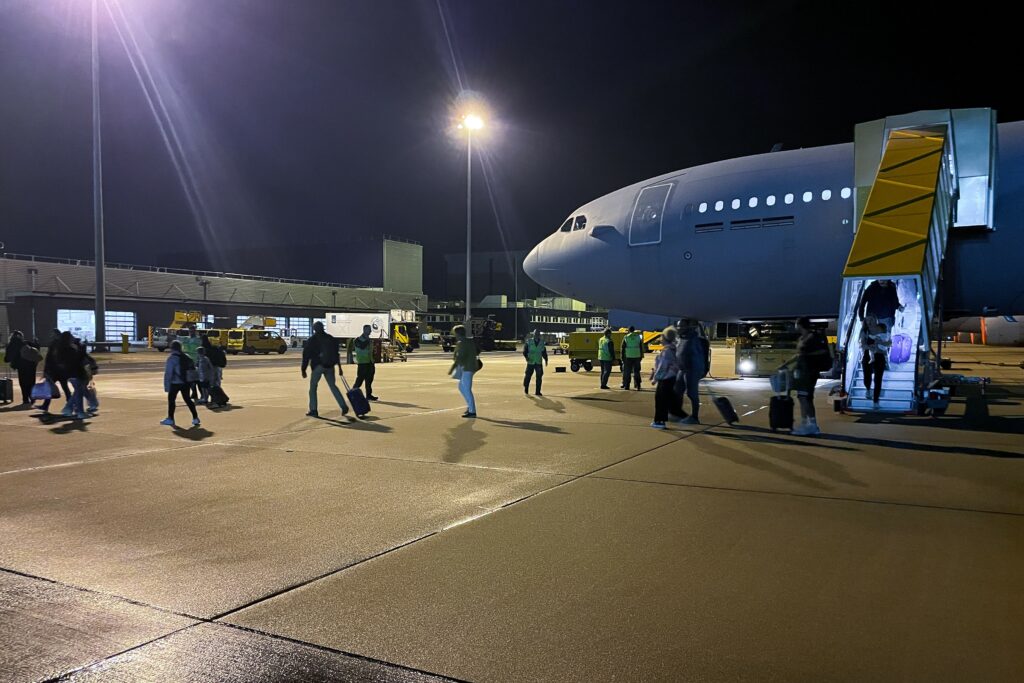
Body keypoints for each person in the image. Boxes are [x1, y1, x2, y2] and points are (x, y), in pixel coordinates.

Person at [785, 317, 830, 436]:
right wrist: (785, 365)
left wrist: (807, 354)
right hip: (802, 372)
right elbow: (798, 355)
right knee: (803, 397)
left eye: (796, 323)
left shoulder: (812, 337)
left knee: (805, 398)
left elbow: (822, 352)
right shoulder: (802, 338)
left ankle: (810, 425)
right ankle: (808, 424)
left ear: (800, 325)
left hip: (809, 372)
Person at [301, 321, 349, 418]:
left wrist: (303, 369)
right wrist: (339, 367)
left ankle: (313, 410)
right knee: (333, 386)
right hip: (330, 366)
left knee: (313, 388)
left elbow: (306, 355)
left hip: (318, 366)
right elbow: (336, 354)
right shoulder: (331, 338)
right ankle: (343, 405)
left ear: (314, 329)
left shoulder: (312, 340)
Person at [650, 327, 686, 429]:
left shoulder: (667, 351)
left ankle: (659, 421)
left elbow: (663, 367)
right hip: (672, 378)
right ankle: (680, 416)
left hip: (665, 379)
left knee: (660, 400)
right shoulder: (674, 349)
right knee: (669, 400)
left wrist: (655, 378)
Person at [675, 324, 708, 425]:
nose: (678, 328)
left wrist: (699, 370)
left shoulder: (694, 340)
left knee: (691, 393)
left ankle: (694, 417)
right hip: (682, 369)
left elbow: (697, 356)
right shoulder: (682, 339)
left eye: (680, 327)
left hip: (691, 369)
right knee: (677, 390)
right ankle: (678, 412)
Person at [162, 340, 200, 427]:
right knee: (187, 399)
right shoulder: (186, 356)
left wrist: (167, 386)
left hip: (175, 382)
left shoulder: (172, 358)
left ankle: (170, 418)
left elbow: (168, 373)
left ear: (172, 348)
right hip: (185, 382)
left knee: (171, 400)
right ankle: (195, 417)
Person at [860, 315, 890, 410]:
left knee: (878, 379)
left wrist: (880, 343)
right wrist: (870, 347)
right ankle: (868, 389)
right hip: (867, 356)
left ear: (875, 320)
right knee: (867, 376)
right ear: (865, 321)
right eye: (868, 320)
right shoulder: (864, 332)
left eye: (872, 319)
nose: (870, 321)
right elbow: (863, 344)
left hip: (880, 356)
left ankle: (876, 401)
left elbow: (889, 342)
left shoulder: (882, 329)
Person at [449, 324, 479, 418]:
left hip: (467, 367)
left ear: (458, 333)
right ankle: (470, 407)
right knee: (461, 387)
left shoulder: (463, 343)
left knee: (466, 388)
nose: (454, 335)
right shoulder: (468, 341)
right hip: (469, 366)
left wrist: (453, 367)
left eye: (455, 333)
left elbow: (460, 356)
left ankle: (472, 411)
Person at [4, 330, 35, 405]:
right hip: (31, 365)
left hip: (21, 367)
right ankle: (32, 397)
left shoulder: (11, 345)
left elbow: (7, 359)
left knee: (23, 382)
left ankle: (25, 399)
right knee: (31, 382)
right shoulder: (27, 343)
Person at [351, 324, 379, 401]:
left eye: (370, 329)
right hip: (362, 363)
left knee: (369, 380)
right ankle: (353, 394)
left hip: (370, 362)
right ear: (364, 330)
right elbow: (362, 346)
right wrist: (368, 341)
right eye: (368, 329)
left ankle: (369, 395)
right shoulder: (358, 340)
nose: (370, 331)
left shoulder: (369, 340)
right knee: (359, 380)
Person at [522, 329, 548, 396]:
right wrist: (526, 357)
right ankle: (526, 388)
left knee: (539, 377)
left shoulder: (542, 342)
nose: (537, 335)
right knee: (528, 376)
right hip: (531, 361)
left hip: (538, 362)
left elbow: (543, 352)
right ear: (533, 334)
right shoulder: (529, 341)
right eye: (536, 334)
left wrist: (546, 359)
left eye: (538, 334)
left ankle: (538, 391)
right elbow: (525, 351)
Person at [19, 337, 43, 405]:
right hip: (32, 369)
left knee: (23, 384)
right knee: (32, 383)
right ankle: (32, 398)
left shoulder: (21, 350)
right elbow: (40, 358)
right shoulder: (34, 350)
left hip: (23, 369)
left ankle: (25, 399)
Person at [620, 326, 644, 390]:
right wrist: (641, 356)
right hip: (637, 356)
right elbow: (641, 347)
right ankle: (638, 385)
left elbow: (623, 348)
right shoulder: (638, 337)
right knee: (636, 371)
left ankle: (627, 386)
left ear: (628, 330)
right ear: (634, 330)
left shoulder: (626, 337)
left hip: (628, 356)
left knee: (627, 371)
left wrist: (622, 357)